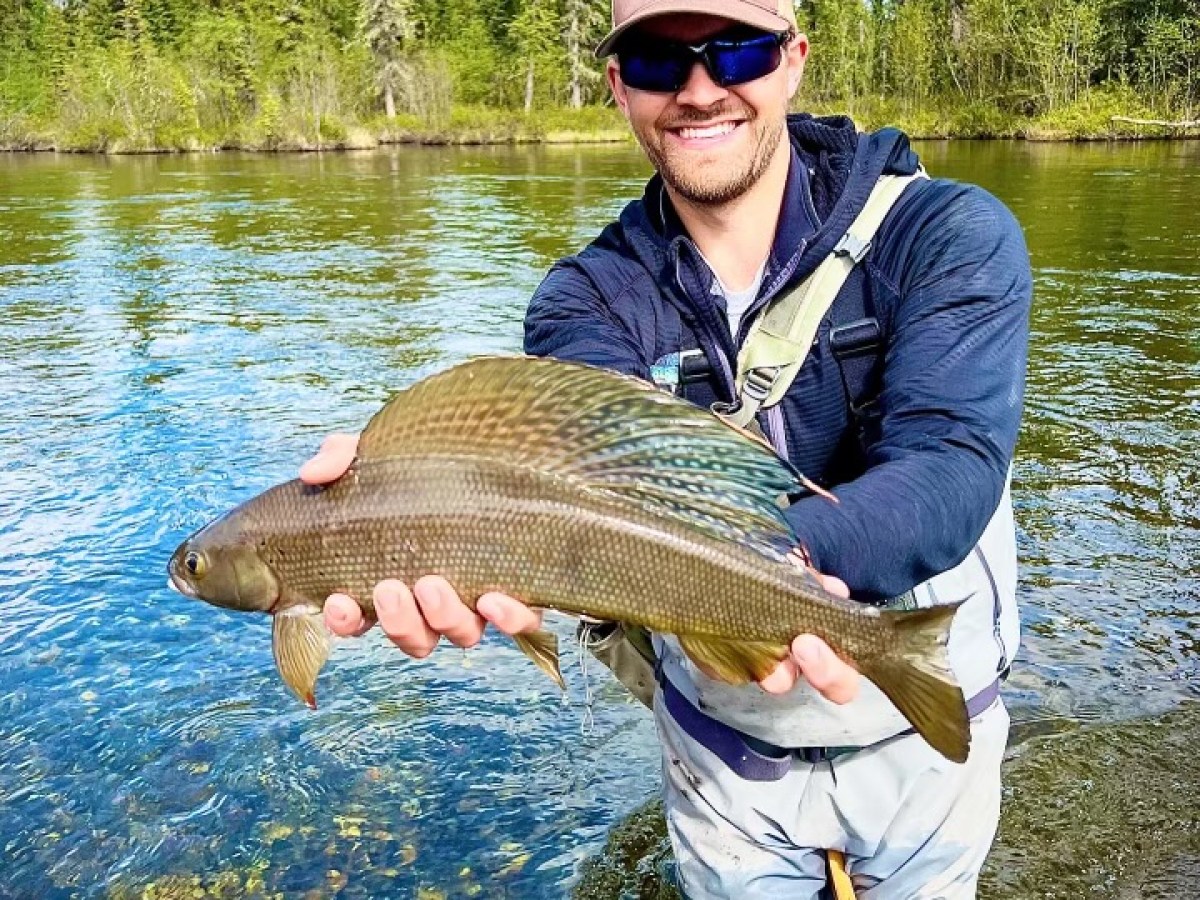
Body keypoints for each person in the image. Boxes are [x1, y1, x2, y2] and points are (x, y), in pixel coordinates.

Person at [303, 0, 1032, 896]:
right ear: (618, 86)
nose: (699, 89)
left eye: (738, 52)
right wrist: (416, 499)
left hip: (921, 723)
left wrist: (785, 567)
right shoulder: (584, 301)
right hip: (723, 752)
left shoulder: (945, 233)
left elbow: (950, 466)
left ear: (793, 62)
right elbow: (591, 481)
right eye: (658, 61)